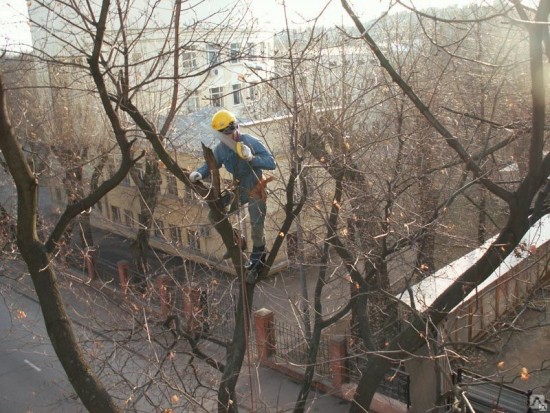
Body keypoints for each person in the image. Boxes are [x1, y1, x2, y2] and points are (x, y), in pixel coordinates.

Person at [189, 109, 276, 271]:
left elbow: (272, 163)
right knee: (214, 215)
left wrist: (252, 158)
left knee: (256, 223)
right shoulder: (221, 149)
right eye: (224, 135)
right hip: (237, 188)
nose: (229, 137)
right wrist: (198, 173)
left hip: (256, 187)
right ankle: (236, 240)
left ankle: (259, 255)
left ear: (235, 128)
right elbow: (211, 164)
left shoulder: (250, 142)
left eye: (230, 132)